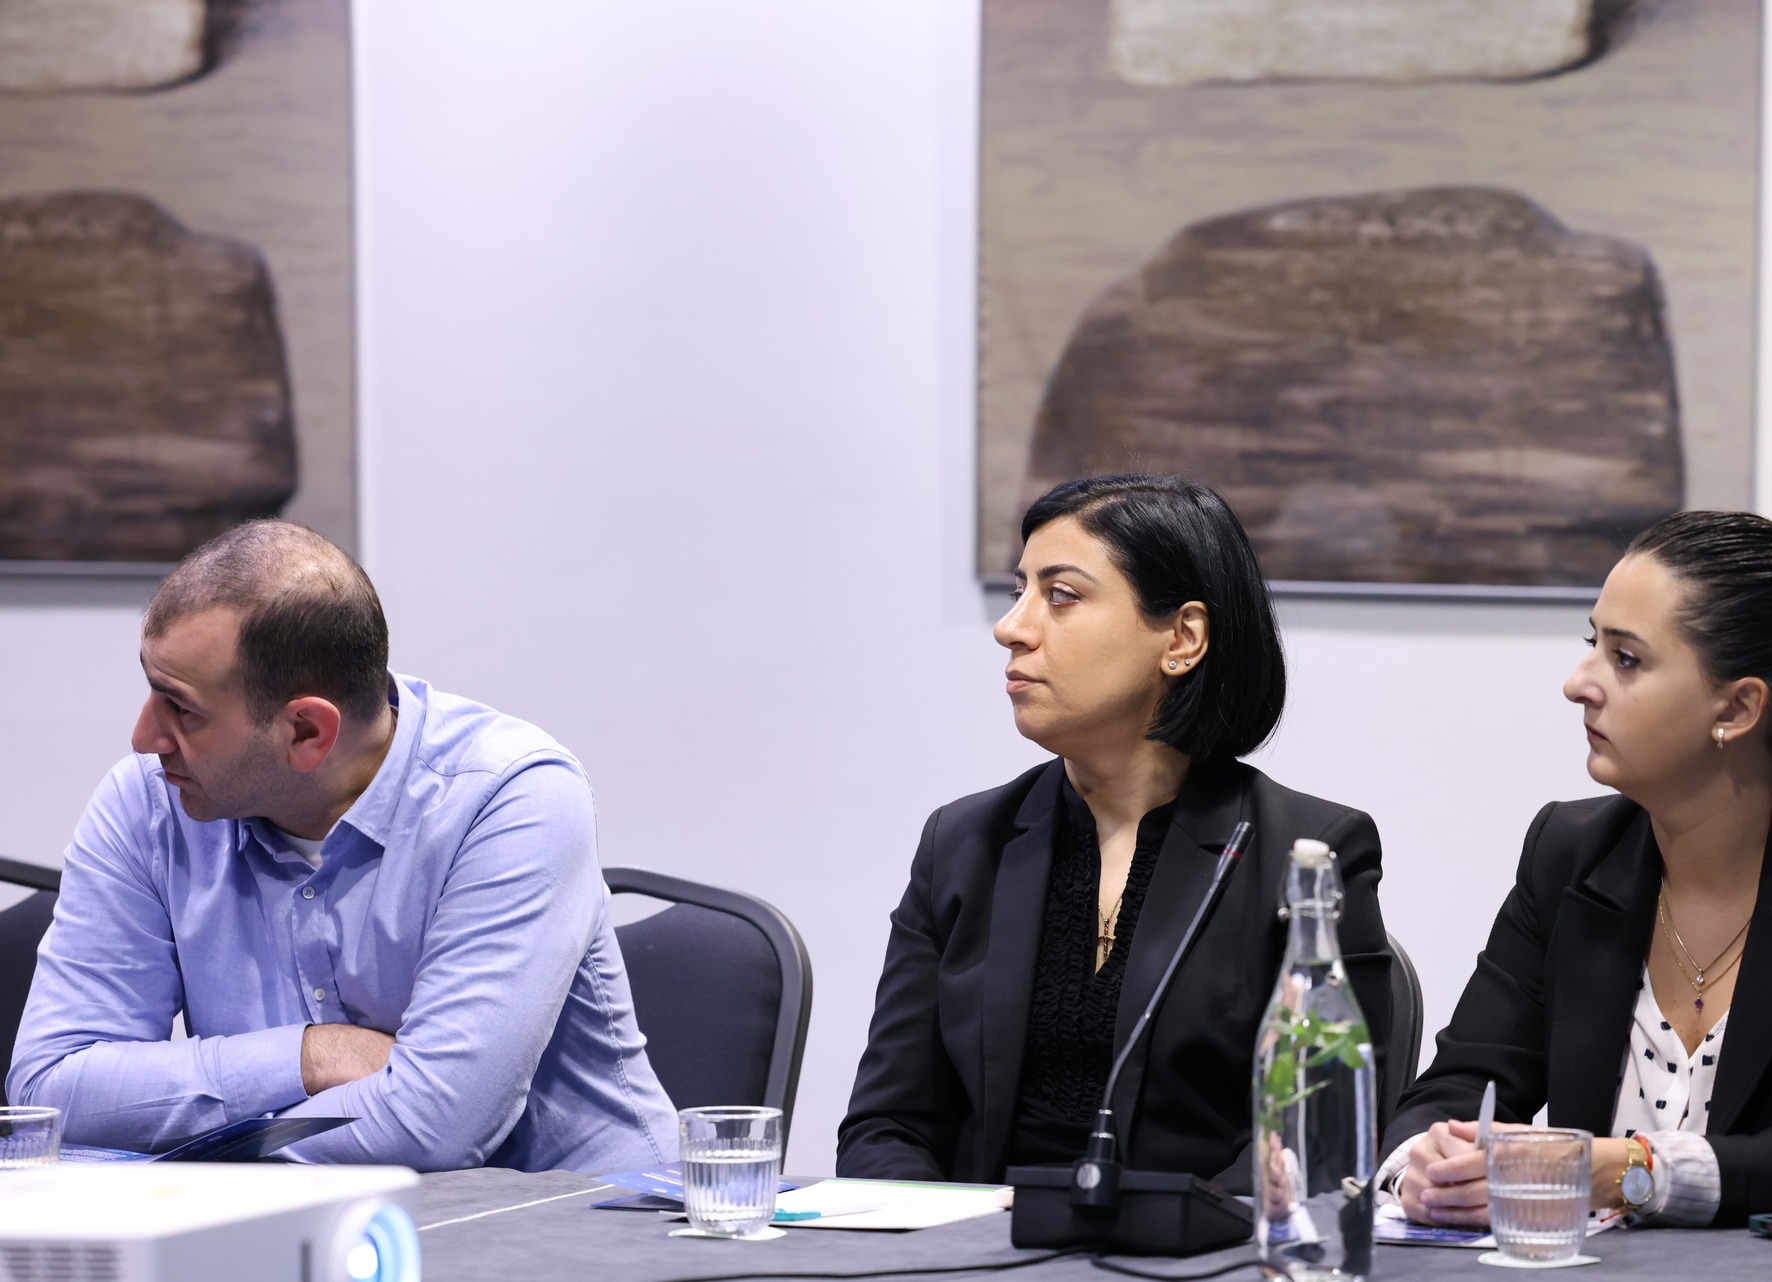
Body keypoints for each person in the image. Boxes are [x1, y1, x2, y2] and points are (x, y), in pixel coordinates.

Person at [6, 521, 678, 1172]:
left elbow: (434, 1126)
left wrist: (207, 1153)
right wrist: (313, 1055)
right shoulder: (149, 802)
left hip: (577, 1218)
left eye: (181, 709)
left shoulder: (512, 796)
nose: (144, 738)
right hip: (314, 1227)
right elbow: (48, 1092)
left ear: (306, 732)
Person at [1381, 510, 1772, 1227]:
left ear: (1738, 707)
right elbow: (1457, 1085)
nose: (1578, 683)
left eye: (1626, 659)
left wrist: (1626, 1171)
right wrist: (1426, 1165)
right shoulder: (1569, 852)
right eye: (1593, 645)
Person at [837, 474, 1393, 1191]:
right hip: (979, 1242)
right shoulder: (963, 844)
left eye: (1061, 595)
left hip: (1203, 1245)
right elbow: (890, 1125)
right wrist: (951, 1241)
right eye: (1019, 591)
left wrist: (1158, 1234)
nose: (1011, 627)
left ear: (1182, 638)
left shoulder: (1307, 854)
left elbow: (1318, 1137)